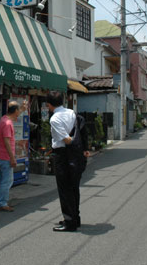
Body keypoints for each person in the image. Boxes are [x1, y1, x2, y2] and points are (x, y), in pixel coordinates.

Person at [46, 91, 89, 232]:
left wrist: (71, 140)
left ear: (49, 105)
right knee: (74, 187)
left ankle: (69, 222)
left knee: (64, 188)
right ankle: (75, 218)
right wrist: (83, 148)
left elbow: (66, 140)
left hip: (63, 154)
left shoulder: (54, 119)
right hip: (75, 154)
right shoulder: (71, 112)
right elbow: (81, 129)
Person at [0, 100, 28, 212]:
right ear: (15, 111)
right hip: (5, 156)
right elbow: (7, 142)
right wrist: (12, 158)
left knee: (1, 179)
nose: (19, 113)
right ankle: (2, 203)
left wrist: (23, 108)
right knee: (7, 181)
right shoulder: (8, 123)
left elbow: (6, 140)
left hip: (0, 155)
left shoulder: (4, 119)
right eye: (18, 110)